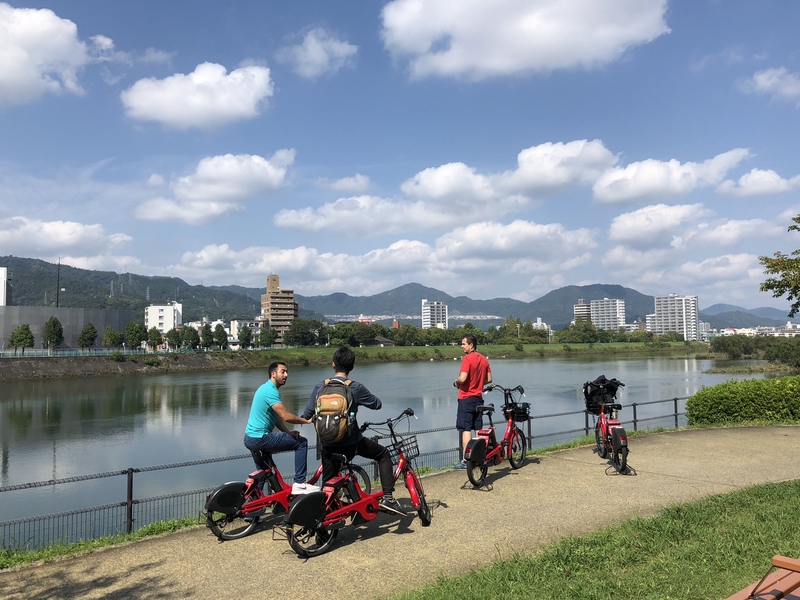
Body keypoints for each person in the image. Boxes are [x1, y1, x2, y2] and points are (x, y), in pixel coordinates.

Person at [302, 346, 405, 515]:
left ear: (333, 364)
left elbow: (307, 414)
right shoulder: (355, 387)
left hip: (326, 444)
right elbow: (377, 404)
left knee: (328, 484)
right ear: (352, 366)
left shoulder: (320, 386)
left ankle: (324, 516)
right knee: (383, 454)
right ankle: (388, 498)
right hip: (351, 443)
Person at [244, 361, 319, 495]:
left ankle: (251, 513)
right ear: (273, 374)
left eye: (287, 372)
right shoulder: (270, 391)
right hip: (261, 438)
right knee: (302, 443)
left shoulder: (264, 388)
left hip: (250, 438)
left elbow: (277, 417)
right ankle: (300, 483)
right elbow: (286, 416)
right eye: (283, 371)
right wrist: (306, 421)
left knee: (262, 474)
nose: (286, 375)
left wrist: (287, 432)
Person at [452, 334, 492, 469]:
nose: (462, 346)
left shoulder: (467, 359)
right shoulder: (484, 359)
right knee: (478, 429)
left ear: (471, 345)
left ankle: (466, 460)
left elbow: (462, 378)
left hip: (466, 398)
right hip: (478, 398)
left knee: (466, 428)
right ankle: (479, 456)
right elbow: (489, 379)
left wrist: (456, 382)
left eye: (464, 344)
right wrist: (479, 382)